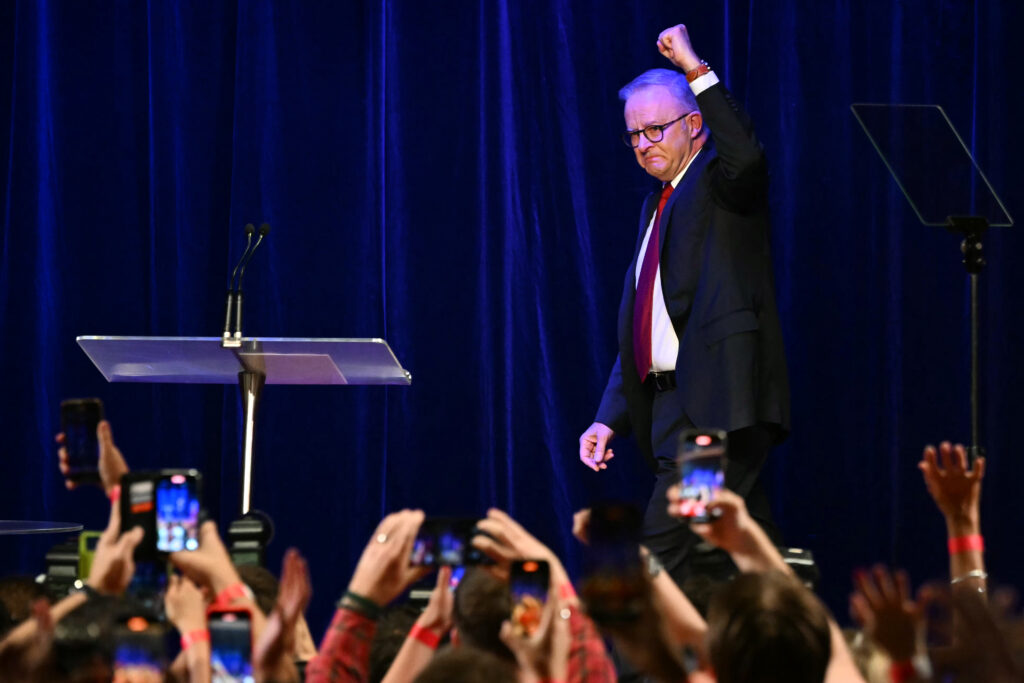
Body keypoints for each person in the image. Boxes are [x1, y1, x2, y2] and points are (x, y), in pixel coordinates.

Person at [578, 23, 789, 581]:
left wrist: (693, 66)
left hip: (716, 415)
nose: (643, 144)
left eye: (655, 129)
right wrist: (607, 419)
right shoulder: (655, 206)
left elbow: (745, 156)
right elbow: (648, 327)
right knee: (738, 568)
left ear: (694, 125)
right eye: (634, 135)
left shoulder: (720, 182)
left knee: (656, 563)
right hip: (673, 412)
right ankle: (785, 628)